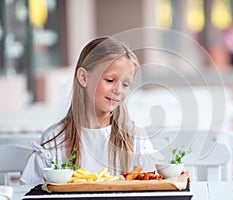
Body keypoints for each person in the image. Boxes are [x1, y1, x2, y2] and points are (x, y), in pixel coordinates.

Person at [21, 37, 156, 185]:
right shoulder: (55, 140)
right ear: (83, 77)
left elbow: (154, 186)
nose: (118, 90)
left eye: (125, 84)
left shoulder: (134, 137)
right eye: (110, 80)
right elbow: (29, 192)